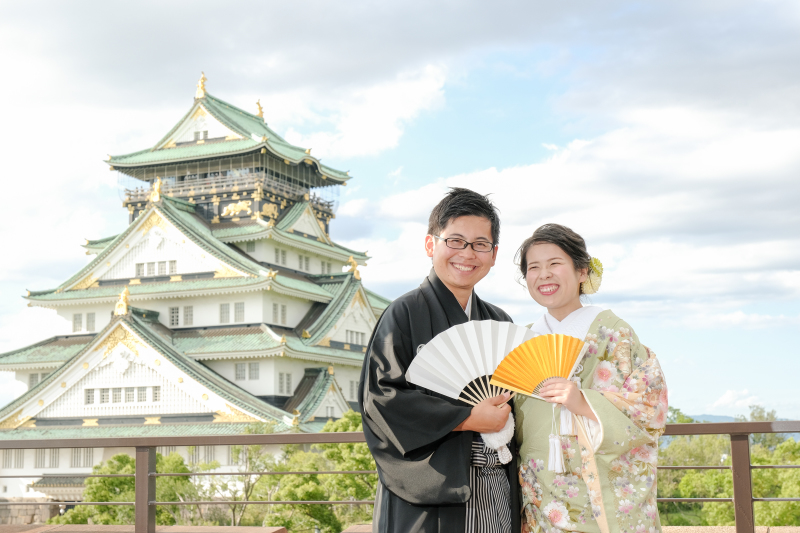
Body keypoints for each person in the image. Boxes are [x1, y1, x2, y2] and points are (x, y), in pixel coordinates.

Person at [359, 188, 521, 533]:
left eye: (480, 244)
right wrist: (466, 417)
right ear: (431, 245)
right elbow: (382, 401)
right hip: (430, 492)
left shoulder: (499, 321)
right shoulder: (404, 313)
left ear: (493, 255)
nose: (467, 253)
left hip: (493, 484)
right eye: (456, 241)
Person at [514, 224, 667, 533]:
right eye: (534, 267)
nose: (544, 274)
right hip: (540, 491)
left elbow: (650, 407)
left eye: (555, 264)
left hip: (600, 493)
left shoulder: (614, 332)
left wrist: (583, 401)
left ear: (582, 271)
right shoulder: (523, 340)